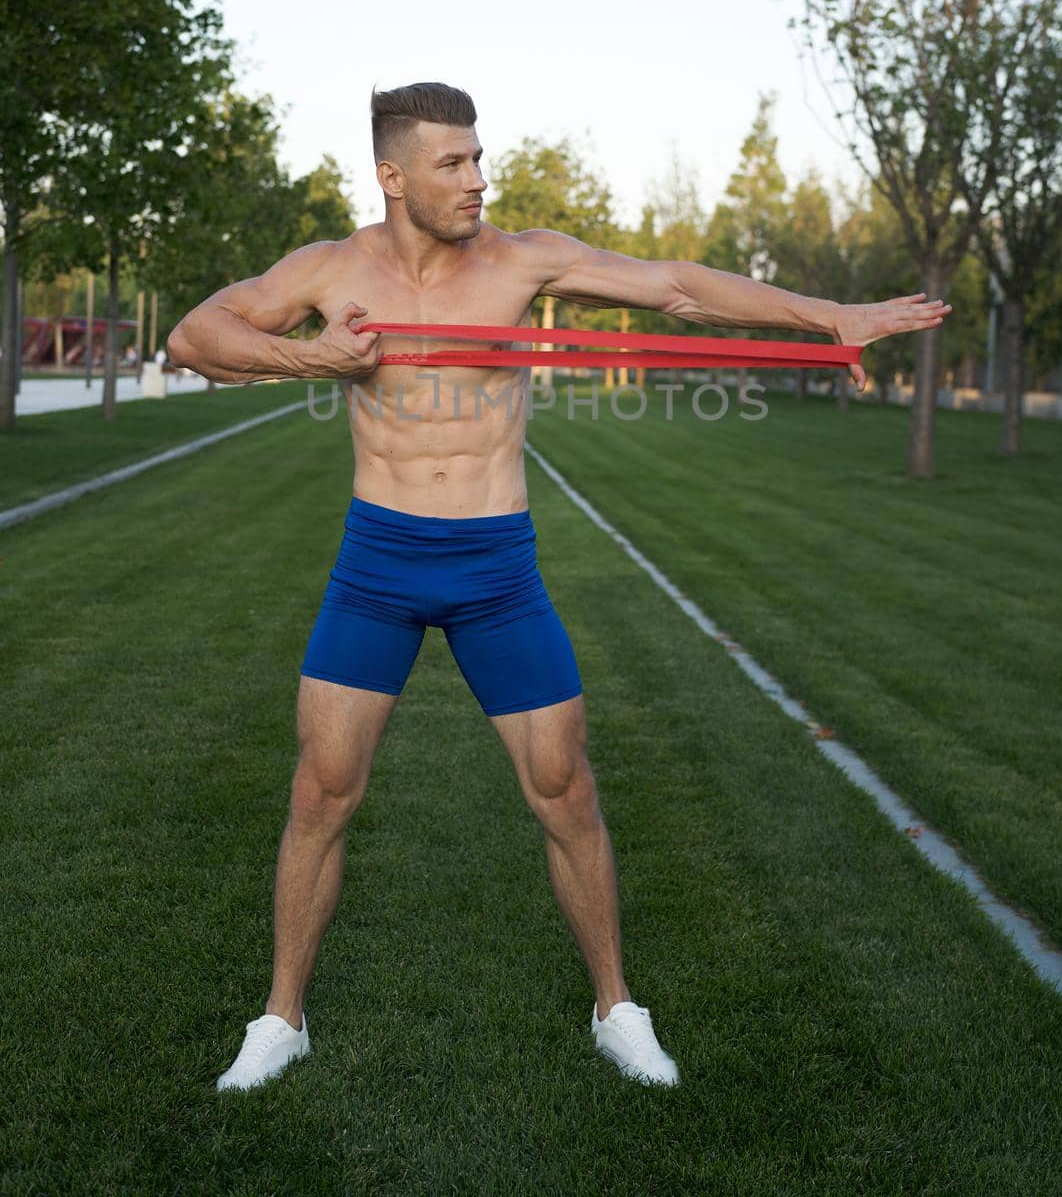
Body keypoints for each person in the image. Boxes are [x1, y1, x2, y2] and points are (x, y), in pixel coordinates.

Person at [166, 81, 950, 1093]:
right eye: (451, 163)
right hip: (379, 562)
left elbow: (674, 285)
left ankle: (615, 1005)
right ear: (392, 175)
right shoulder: (329, 269)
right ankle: (280, 1018)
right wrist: (311, 356)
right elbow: (196, 337)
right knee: (320, 789)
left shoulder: (520, 259)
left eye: (479, 157)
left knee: (563, 787)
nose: (476, 179)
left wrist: (827, 315)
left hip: (496, 565)